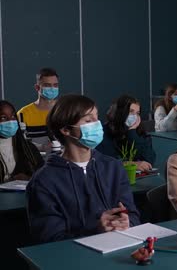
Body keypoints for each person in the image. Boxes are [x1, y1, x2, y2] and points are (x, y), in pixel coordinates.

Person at [26, 94, 140, 243]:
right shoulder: (44, 181)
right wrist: (95, 230)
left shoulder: (113, 167)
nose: (97, 124)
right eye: (88, 120)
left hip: (118, 249)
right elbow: (49, 238)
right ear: (66, 130)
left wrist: (127, 222)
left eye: (96, 118)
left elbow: (132, 214)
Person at [96, 95, 156, 172]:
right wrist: (126, 164)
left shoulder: (140, 133)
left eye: (137, 113)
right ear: (119, 112)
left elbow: (149, 161)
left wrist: (132, 133)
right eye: (131, 112)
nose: (134, 116)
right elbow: (101, 162)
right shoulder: (102, 132)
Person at [0, 101, 43, 183]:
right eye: (3, 117)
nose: (10, 121)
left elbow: (43, 174)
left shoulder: (28, 148)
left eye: (13, 116)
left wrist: (29, 178)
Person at [17, 67, 60, 149]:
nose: (52, 88)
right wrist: (42, 147)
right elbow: (20, 143)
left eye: (55, 85)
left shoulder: (65, 110)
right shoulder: (23, 114)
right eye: (47, 85)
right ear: (37, 87)